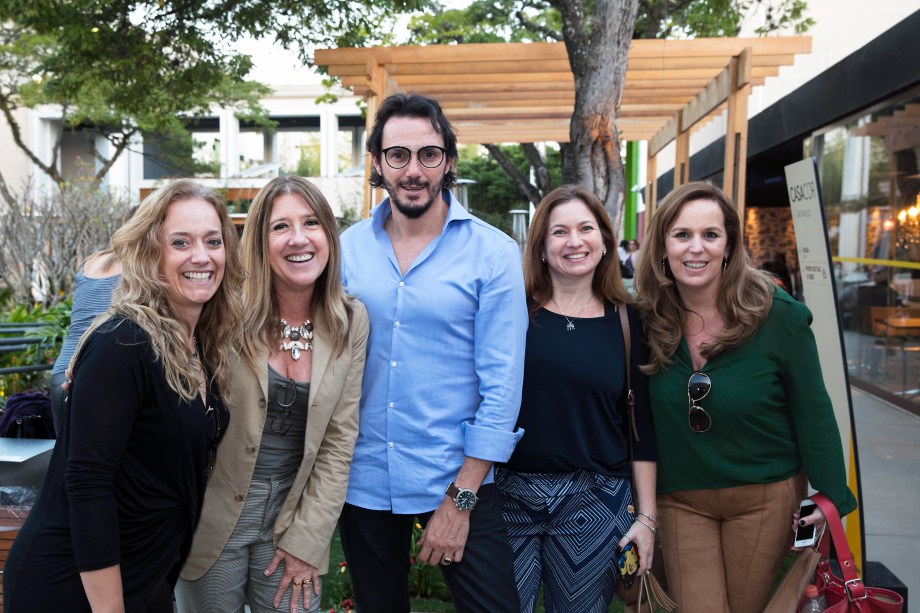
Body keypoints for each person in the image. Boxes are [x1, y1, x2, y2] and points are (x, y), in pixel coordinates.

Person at [3, 179, 243, 612]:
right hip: (78, 591)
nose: (202, 256)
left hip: (145, 579)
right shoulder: (123, 342)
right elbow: (88, 485)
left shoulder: (197, 344)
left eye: (213, 241)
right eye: (181, 242)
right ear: (151, 253)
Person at [338, 92, 528, 613]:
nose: (414, 170)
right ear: (377, 163)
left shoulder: (493, 253)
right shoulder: (346, 249)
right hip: (365, 477)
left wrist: (461, 498)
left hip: (458, 476)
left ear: (448, 161)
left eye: (429, 154)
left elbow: (503, 385)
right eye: (398, 155)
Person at [633, 181, 857, 613]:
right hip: (681, 498)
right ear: (662, 245)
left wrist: (831, 495)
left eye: (710, 235)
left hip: (765, 497)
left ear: (730, 245)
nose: (695, 248)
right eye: (682, 235)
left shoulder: (778, 316)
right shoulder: (646, 321)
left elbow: (813, 411)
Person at [175, 176, 369, 613]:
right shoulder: (222, 309)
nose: (298, 239)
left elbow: (340, 441)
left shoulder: (351, 321)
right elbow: (151, 316)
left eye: (312, 223)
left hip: (295, 515)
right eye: (280, 227)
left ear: (329, 236)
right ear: (259, 241)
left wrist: (309, 540)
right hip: (212, 515)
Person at [495, 185, 657, 612]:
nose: (574, 241)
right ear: (542, 247)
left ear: (604, 242)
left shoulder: (630, 322)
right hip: (510, 497)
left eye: (586, 228)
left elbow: (642, 431)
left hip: (595, 502)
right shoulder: (510, 314)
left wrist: (646, 519)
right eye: (559, 231)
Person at [49, 248, 121, 435]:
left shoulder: (93, 259)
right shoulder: (140, 263)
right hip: (95, 374)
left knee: (64, 457)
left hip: (61, 373)